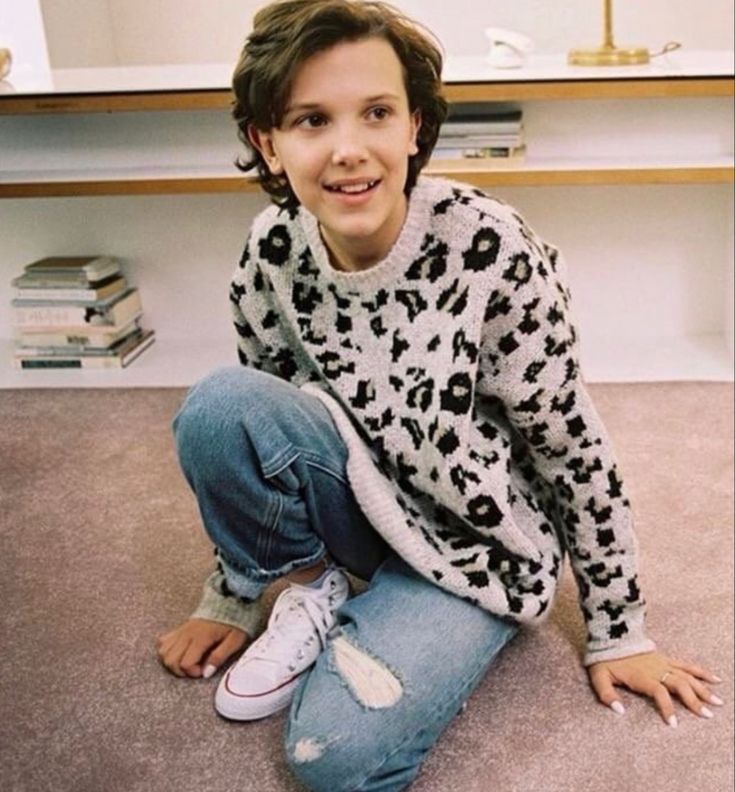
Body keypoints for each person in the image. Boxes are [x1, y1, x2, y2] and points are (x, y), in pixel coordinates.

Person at [156, 1, 724, 789]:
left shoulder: (493, 250)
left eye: (376, 113)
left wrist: (619, 632)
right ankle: (309, 587)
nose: (348, 149)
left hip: (476, 544)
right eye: (312, 120)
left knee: (336, 761)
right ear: (268, 143)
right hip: (356, 500)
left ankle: (403, 616)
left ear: (414, 126)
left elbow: (571, 451)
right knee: (221, 404)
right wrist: (230, 596)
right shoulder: (270, 250)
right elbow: (267, 422)